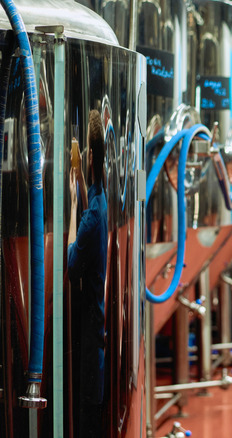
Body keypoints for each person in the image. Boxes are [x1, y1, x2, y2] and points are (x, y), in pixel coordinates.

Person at [67, 108, 108, 437]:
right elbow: (90, 202)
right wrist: (78, 177)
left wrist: (69, 202)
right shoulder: (100, 198)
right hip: (95, 322)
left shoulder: (93, 216)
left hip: (91, 326)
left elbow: (71, 263)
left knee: (88, 411)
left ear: (91, 155)